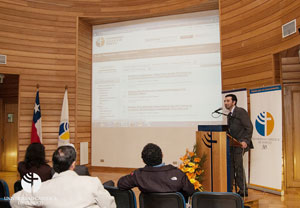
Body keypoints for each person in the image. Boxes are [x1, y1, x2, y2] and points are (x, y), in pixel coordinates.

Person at [11, 145, 116, 208]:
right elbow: (111, 206)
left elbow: (14, 200)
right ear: (73, 164)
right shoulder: (93, 183)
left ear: (54, 165)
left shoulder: (41, 188)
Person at [117, 143, 196, 200]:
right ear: (162, 155)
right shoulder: (178, 173)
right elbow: (191, 191)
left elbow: (121, 184)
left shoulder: (138, 175)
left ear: (143, 161)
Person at [224, 94, 253, 197]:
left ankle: (243, 190)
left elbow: (249, 127)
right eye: (225, 101)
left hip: (241, 144)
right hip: (232, 144)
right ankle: (229, 188)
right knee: (231, 167)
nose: (225, 103)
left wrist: (245, 140)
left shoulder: (240, 111)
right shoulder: (229, 115)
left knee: (238, 167)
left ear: (234, 102)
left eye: (228, 101)